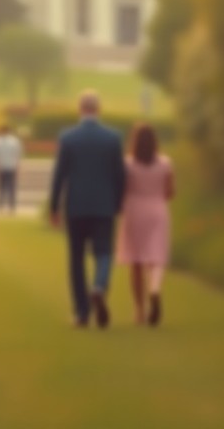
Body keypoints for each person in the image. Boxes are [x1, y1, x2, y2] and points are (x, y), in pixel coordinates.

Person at [48, 91, 127, 329]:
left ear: (80, 109)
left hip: (77, 206)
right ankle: (99, 287)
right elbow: (120, 175)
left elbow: (59, 175)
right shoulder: (113, 138)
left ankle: (82, 313)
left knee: (76, 260)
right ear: (98, 109)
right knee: (104, 253)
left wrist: (54, 206)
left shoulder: (68, 138)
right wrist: (118, 202)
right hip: (104, 206)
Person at [117, 123, 175, 327]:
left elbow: (122, 190)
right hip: (158, 209)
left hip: (134, 210)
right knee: (156, 256)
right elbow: (170, 192)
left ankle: (139, 311)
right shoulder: (166, 163)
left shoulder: (127, 164)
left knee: (136, 261)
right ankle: (155, 289)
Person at [0, 124, 23, 216]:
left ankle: (8, 207)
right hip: (4, 167)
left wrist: (18, 167)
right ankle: (4, 207)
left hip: (8, 167)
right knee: (4, 188)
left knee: (7, 188)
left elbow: (17, 155)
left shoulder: (10, 141)